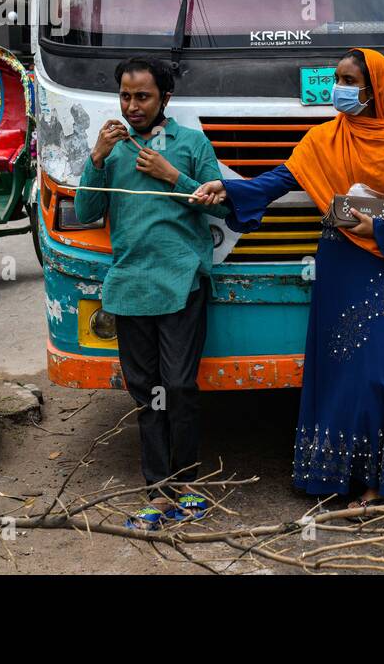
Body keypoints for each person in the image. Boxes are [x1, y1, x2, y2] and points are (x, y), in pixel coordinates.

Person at [192, 48, 384, 507]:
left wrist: (378, 228)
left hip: (381, 269)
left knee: (378, 374)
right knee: (340, 373)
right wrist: (231, 187)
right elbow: (281, 179)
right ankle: (342, 477)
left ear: (375, 91)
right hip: (338, 265)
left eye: (349, 80)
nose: (338, 88)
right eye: (336, 78)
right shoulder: (323, 138)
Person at [74, 57, 229, 529]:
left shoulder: (190, 143)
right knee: (148, 393)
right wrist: (95, 158)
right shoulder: (112, 150)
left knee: (179, 387)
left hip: (181, 283)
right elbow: (85, 211)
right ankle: (158, 493)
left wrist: (171, 175)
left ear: (165, 98)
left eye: (142, 96)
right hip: (128, 287)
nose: (132, 106)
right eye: (125, 95)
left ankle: (187, 485)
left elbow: (217, 200)